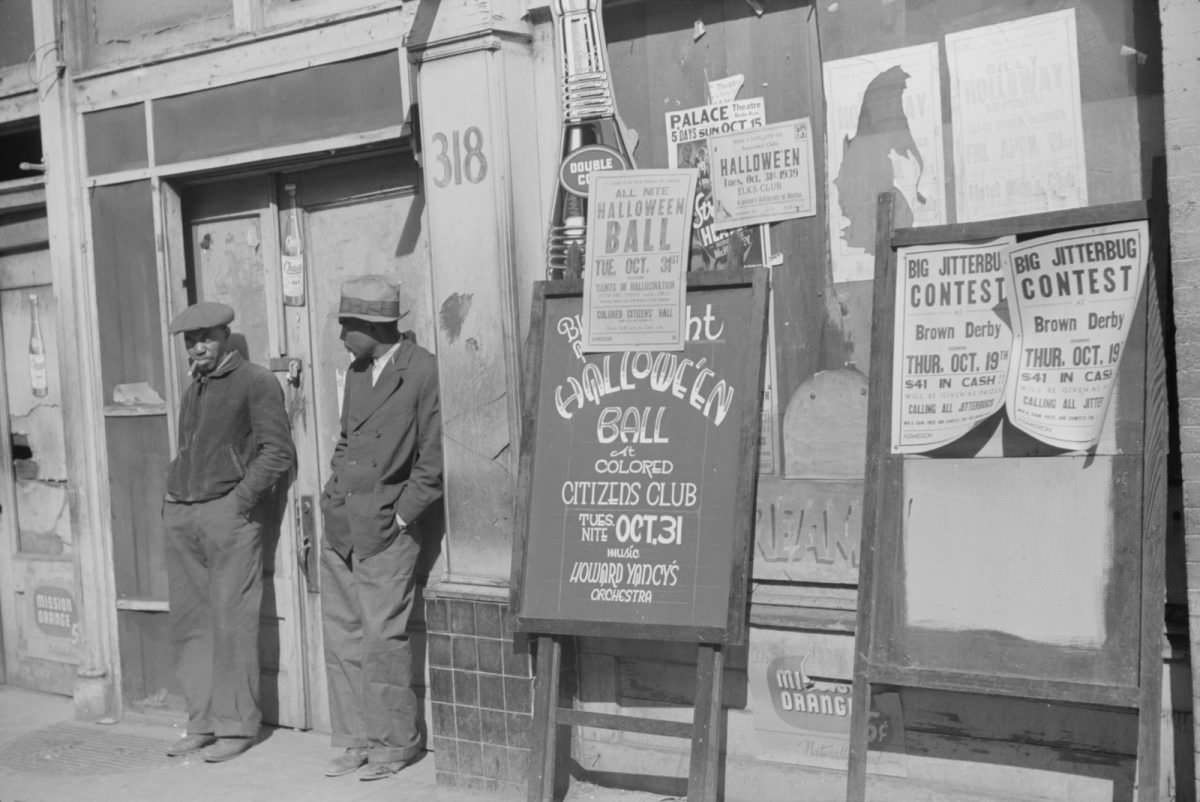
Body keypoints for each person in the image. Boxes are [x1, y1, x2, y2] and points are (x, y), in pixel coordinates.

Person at [320, 275, 443, 781]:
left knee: (382, 639)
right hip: (343, 525)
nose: (340, 334)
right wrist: (332, 497)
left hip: (388, 530)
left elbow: (432, 461)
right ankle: (356, 740)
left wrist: (399, 516)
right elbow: (346, 441)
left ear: (373, 326)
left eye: (347, 325)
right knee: (344, 638)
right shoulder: (356, 371)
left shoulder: (422, 372)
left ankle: (396, 745)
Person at [162, 301, 295, 763]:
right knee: (191, 624)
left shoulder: (255, 381)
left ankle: (237, 728)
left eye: (205, 338)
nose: (196, 347)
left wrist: (235, 504)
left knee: (232, 622)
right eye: (189, 340)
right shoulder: (193, 387)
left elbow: (277, 452)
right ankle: (201, 723)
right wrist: (173, 500)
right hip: (183, 513)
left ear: (224, 336)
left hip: (227, 517)